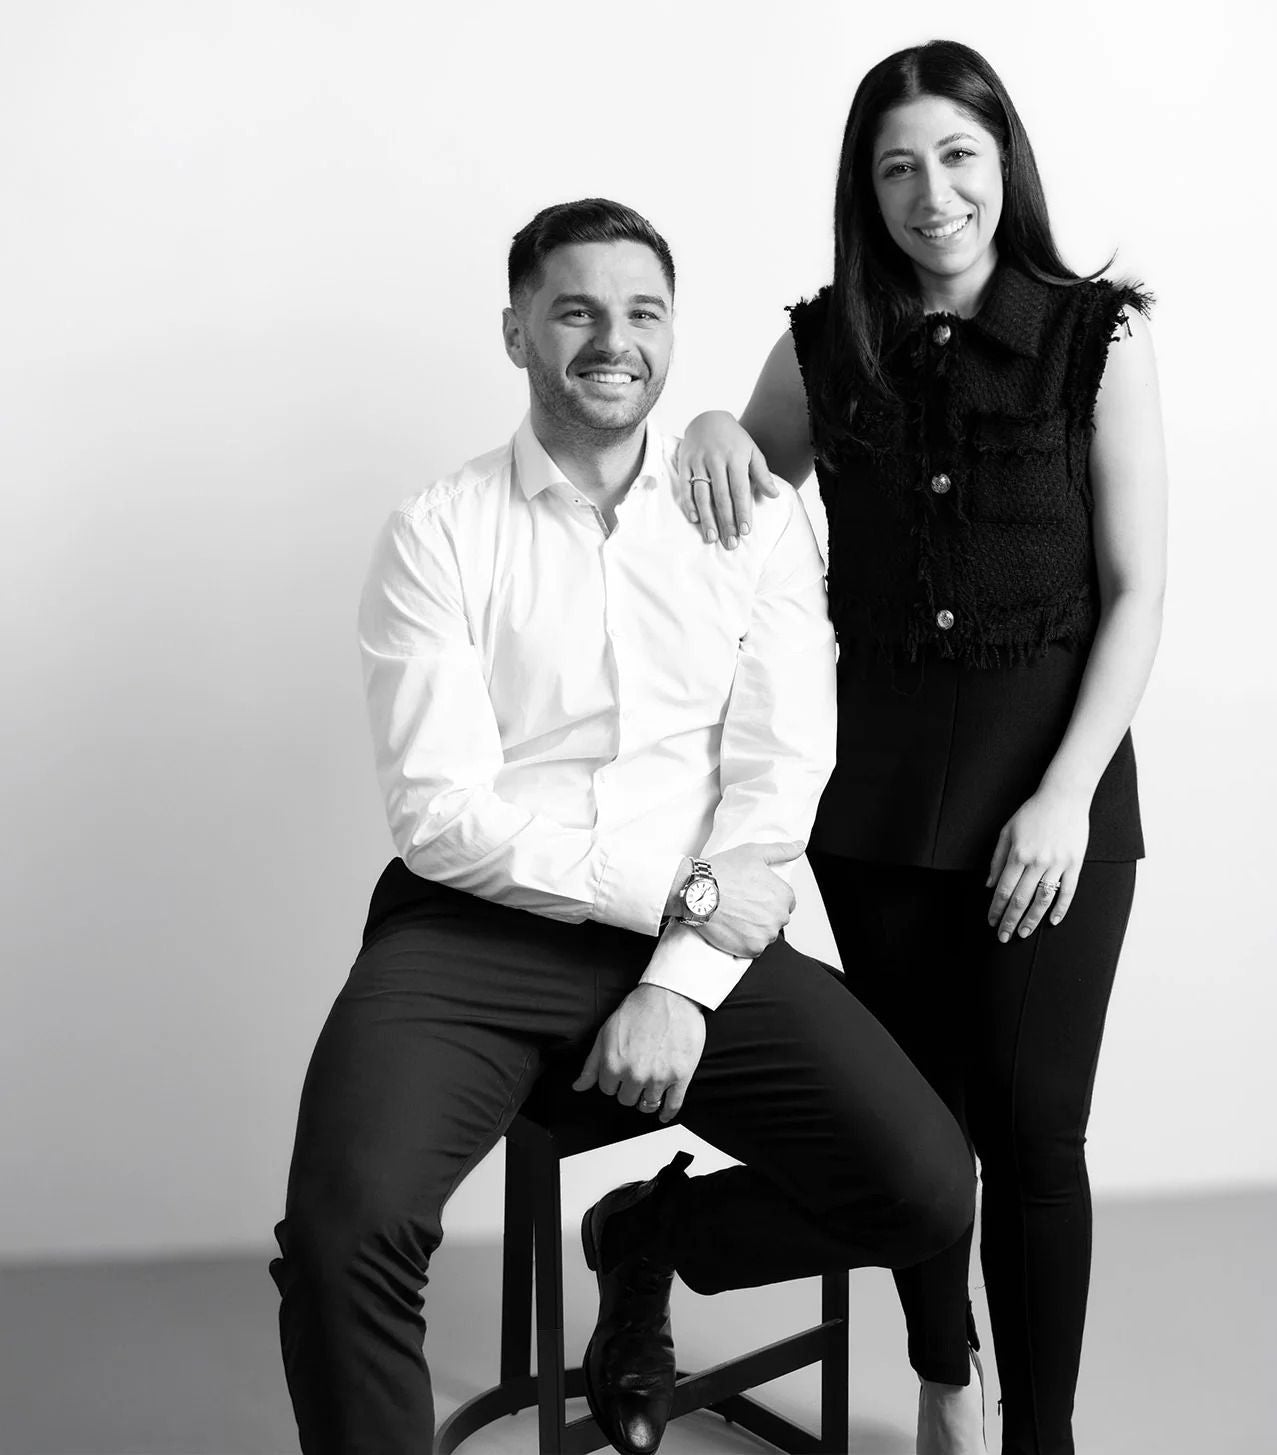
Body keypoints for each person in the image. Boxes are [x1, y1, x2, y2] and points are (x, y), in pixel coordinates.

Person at [267, 197, 975, 1455]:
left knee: (925, 1184)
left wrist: (686, 978)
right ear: (515, 331)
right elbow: (442, 817)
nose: (614, 339)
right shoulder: (438, 531)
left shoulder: (750, 518)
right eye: (576, 310)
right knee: (342, 1233)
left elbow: (780, 770)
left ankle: (647, 1242)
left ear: (670, 333)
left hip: (702, 931)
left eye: (643, 312)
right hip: (473, 936)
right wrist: (682, 905)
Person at [678, 40, 1168, 1455]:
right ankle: (943, 1369)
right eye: (896, 167)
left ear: (1003, 159)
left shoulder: (1098, 335)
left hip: (1054, 790)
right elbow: (743, 486)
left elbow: (1137, 591)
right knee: (917, 1135)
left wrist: (1068, 796)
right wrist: (712, 413)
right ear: (865, 189)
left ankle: (1043, 1434)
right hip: (876, 799)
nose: (931, 191)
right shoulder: (825, 343)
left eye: (956, 155)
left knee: (1033, 1133)